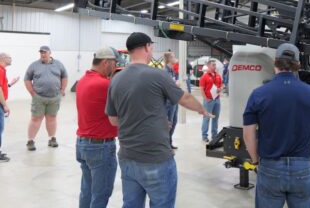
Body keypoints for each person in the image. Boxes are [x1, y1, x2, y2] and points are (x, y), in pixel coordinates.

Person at [106, 32, 212, 207]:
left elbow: (113, 120)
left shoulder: (116, 79)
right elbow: (184, 98)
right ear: (147, 47)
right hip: (155, 158)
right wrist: (202, 110)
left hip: (128, 158)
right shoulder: (157, 74)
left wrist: (149, 121)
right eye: (152, 47)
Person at [243, 43, 310, 208]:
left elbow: (248, 133)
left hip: (270, 165)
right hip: (302, 166)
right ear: (298, 64)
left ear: (275, 62)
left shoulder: (258, 94)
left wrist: (255, 161)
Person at [76, 48, 118, 208]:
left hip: (83, 144)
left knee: (87, 191)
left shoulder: (83, 81)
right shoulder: (104, 84)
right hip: (100, 147)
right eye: (114, 64)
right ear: (105, 62)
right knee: (101, 194)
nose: (114, 68)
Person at [24, 45, 68, 151]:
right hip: (39, 97)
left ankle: (52, 139)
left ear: (50, 53)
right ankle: (30, 141)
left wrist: (62, 90)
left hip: (54, 98)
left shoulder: (59, 64)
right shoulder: (34, 65)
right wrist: (32, 93)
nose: (42, 54)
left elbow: (64, 77)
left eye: (44, 52)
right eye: (41, 53)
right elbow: (27, 79)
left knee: (52, 118)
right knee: (35, 119)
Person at [0, 53, 20, 162]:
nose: (11, 58)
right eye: (9, 57)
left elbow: (2, 88)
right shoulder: (0, 70)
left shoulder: (2, 71)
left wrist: (10, 84)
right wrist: (4, 105)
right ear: (2, 59)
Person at [200, 58, 223, 142]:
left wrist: (220, 89)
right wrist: (206, 99)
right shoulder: (204, 76)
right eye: (213, 65)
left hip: (217, 100)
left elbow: (221, 85)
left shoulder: (218, 76)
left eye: (215, 65)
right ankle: (204, 135)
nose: (215, 66)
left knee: (215, 118)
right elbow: (201, 89)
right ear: (209, 66)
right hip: (208, 100)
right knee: (206, 118)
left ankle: (214, 135)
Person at [163, 52, 179, 150]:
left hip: (174, 100)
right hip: (169, 101)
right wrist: (176, 84)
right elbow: (168, 86)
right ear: (169, 59)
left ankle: (169, 142)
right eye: (173, 57)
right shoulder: (165, 71)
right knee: (169, 122)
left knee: (174, 121)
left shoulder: (172, 70)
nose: (175, 58)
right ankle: (166, 144)